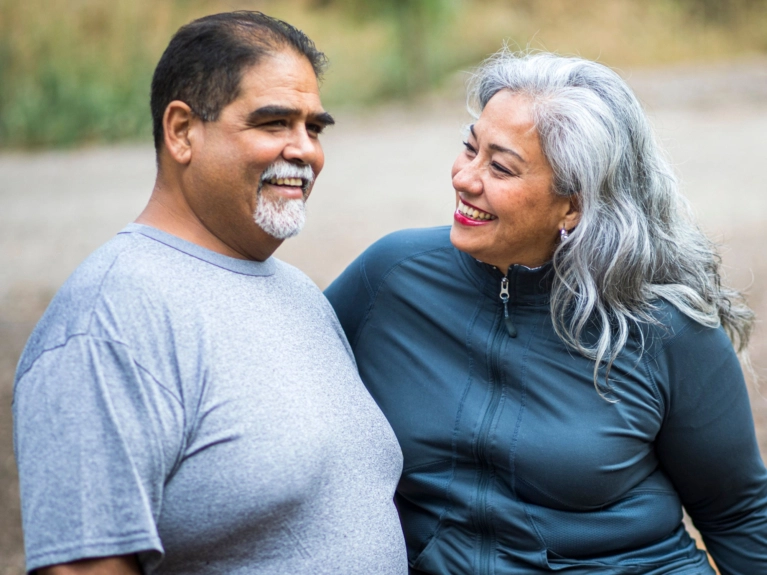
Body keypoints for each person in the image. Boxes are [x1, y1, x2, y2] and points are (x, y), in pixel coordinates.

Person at [325, 49, 767, 574]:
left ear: (574, 206)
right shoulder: (391, 277)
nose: (465, 178)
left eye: (500, 167)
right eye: (470, 148)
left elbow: (738, 512)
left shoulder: (663, 326)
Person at [13, 11, 407, 575]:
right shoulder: (111, 317)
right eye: (274, 123)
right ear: (181, 131)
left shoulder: (298, 295)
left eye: (314, 127)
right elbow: (82, 567)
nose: (306, 151)